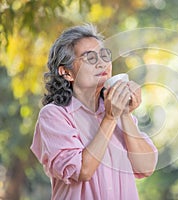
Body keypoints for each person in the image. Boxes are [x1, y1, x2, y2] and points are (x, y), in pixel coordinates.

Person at [30, 24, 158, 200]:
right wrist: (111, 118)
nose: (101, 62)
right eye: (89, 57)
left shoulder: (116, 111)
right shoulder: (54, 115)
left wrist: (125, 114)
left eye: (104, 55)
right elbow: (82, 170)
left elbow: (146, 167)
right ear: (66, 72)